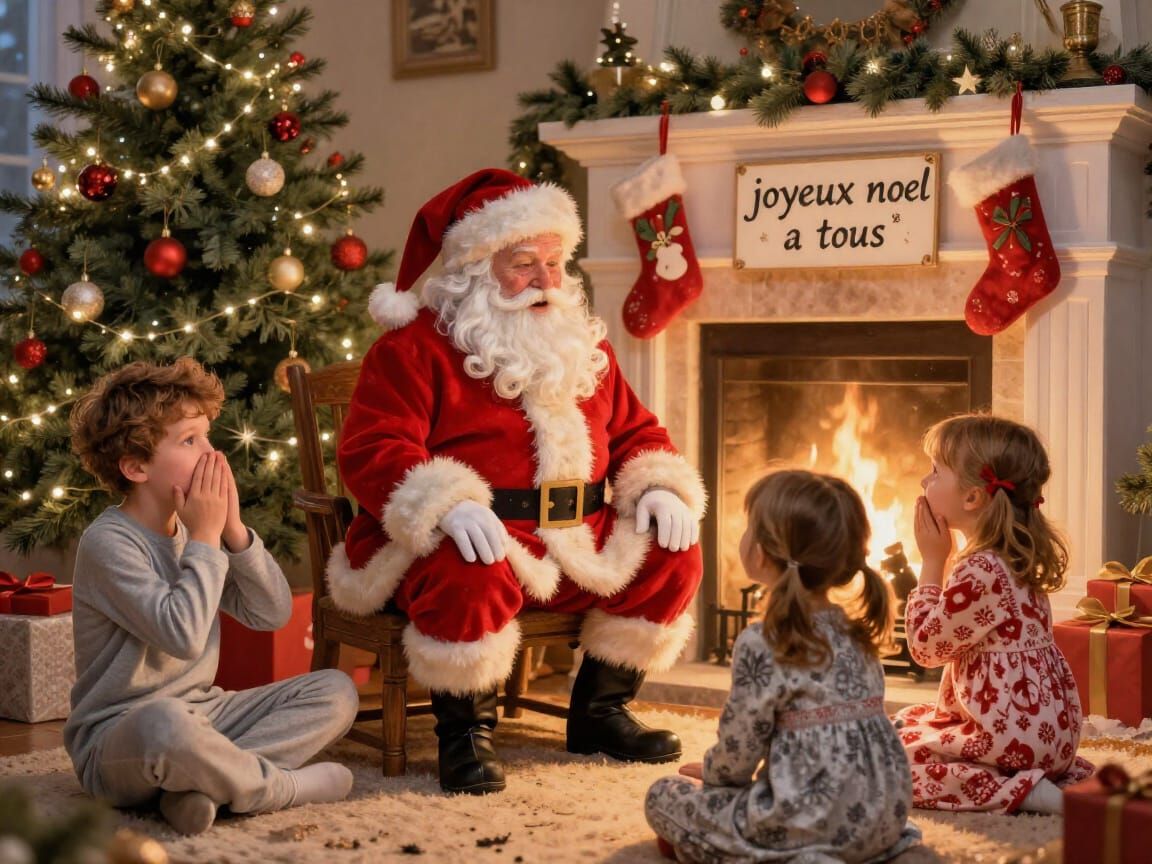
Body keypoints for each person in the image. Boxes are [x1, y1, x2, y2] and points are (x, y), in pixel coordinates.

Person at [330, 168, 706, 794]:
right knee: (465, 564)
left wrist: (660, 484)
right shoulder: (413, 349)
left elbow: (638, 432)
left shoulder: (584, 345)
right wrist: (444, 503)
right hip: (473, 544)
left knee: (674, 547)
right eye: (524, 263)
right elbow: (372, 447)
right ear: (474, 268)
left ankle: (600, 713)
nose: (547, 282)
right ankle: (466, 734)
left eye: (556, 263)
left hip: (575, 541)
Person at [65, 358, 360, 835]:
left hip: (205, 715)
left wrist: (234, 531)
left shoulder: (191, 531)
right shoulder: (108, 543)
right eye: (189, 440)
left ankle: (194, 790)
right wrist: (204, 537)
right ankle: (279, 788)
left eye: (206, 435)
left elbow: (272, 613)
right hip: (122, 736)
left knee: (335, 690)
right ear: (136, 467)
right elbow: (181, 635)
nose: (211, 454)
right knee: (165, 724)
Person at [645, 470, 921, 863]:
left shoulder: (763, 641)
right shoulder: (859, 631)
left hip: (808, 818)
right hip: (883, 818)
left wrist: (717, 778)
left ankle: (797, 856)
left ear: (760, 552)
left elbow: (742, 741)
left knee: (662, 796)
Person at [894, 413, 1094, 813]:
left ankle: (1020, 790)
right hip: (1050, 736)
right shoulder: (1015, 556)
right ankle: (1027, 777)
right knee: (907, 721)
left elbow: (926, 650)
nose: (924, 481)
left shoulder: (980, 568)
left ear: (972, 498)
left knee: (890, 765)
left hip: (1012, 741)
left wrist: (932, 562)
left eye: (935, 472)